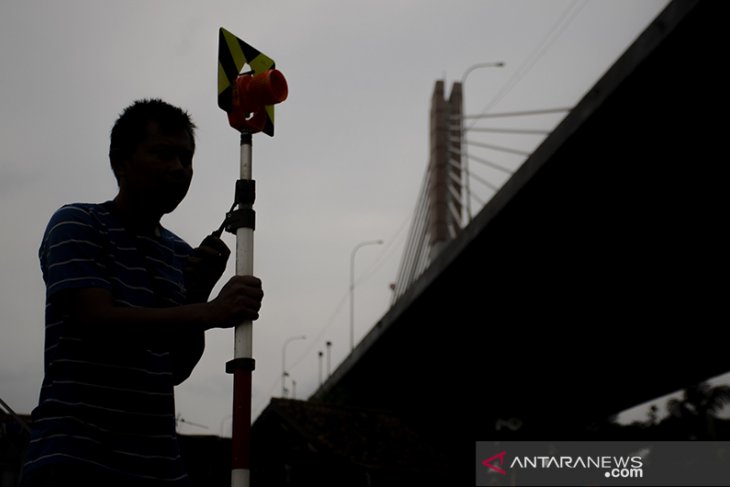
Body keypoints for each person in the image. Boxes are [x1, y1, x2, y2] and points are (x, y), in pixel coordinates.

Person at [20, 99, 264, 486]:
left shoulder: (180, 254)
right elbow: (95, 320)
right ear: (120, 161)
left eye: (186, 158)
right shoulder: (78, 224)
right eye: (163, 153)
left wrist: (198, 292)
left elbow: (175, 368)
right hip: (74, 461)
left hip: (159, 469)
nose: (179, 169)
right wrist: (209, 312)